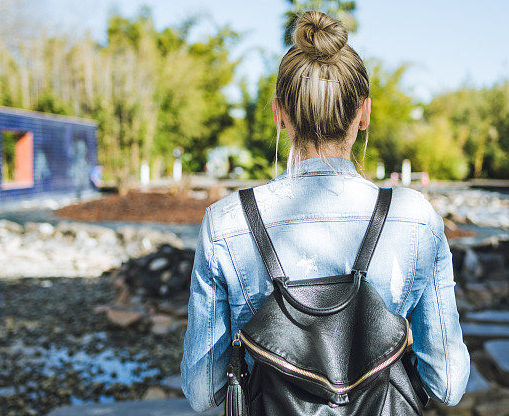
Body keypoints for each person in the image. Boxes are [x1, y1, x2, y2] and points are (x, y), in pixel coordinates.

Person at [181, 10, 469, 413]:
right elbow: (448, 384)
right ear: (364, 114)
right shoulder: (415, 217)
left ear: (280, 115)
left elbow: (202, 390)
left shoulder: (226, 222)